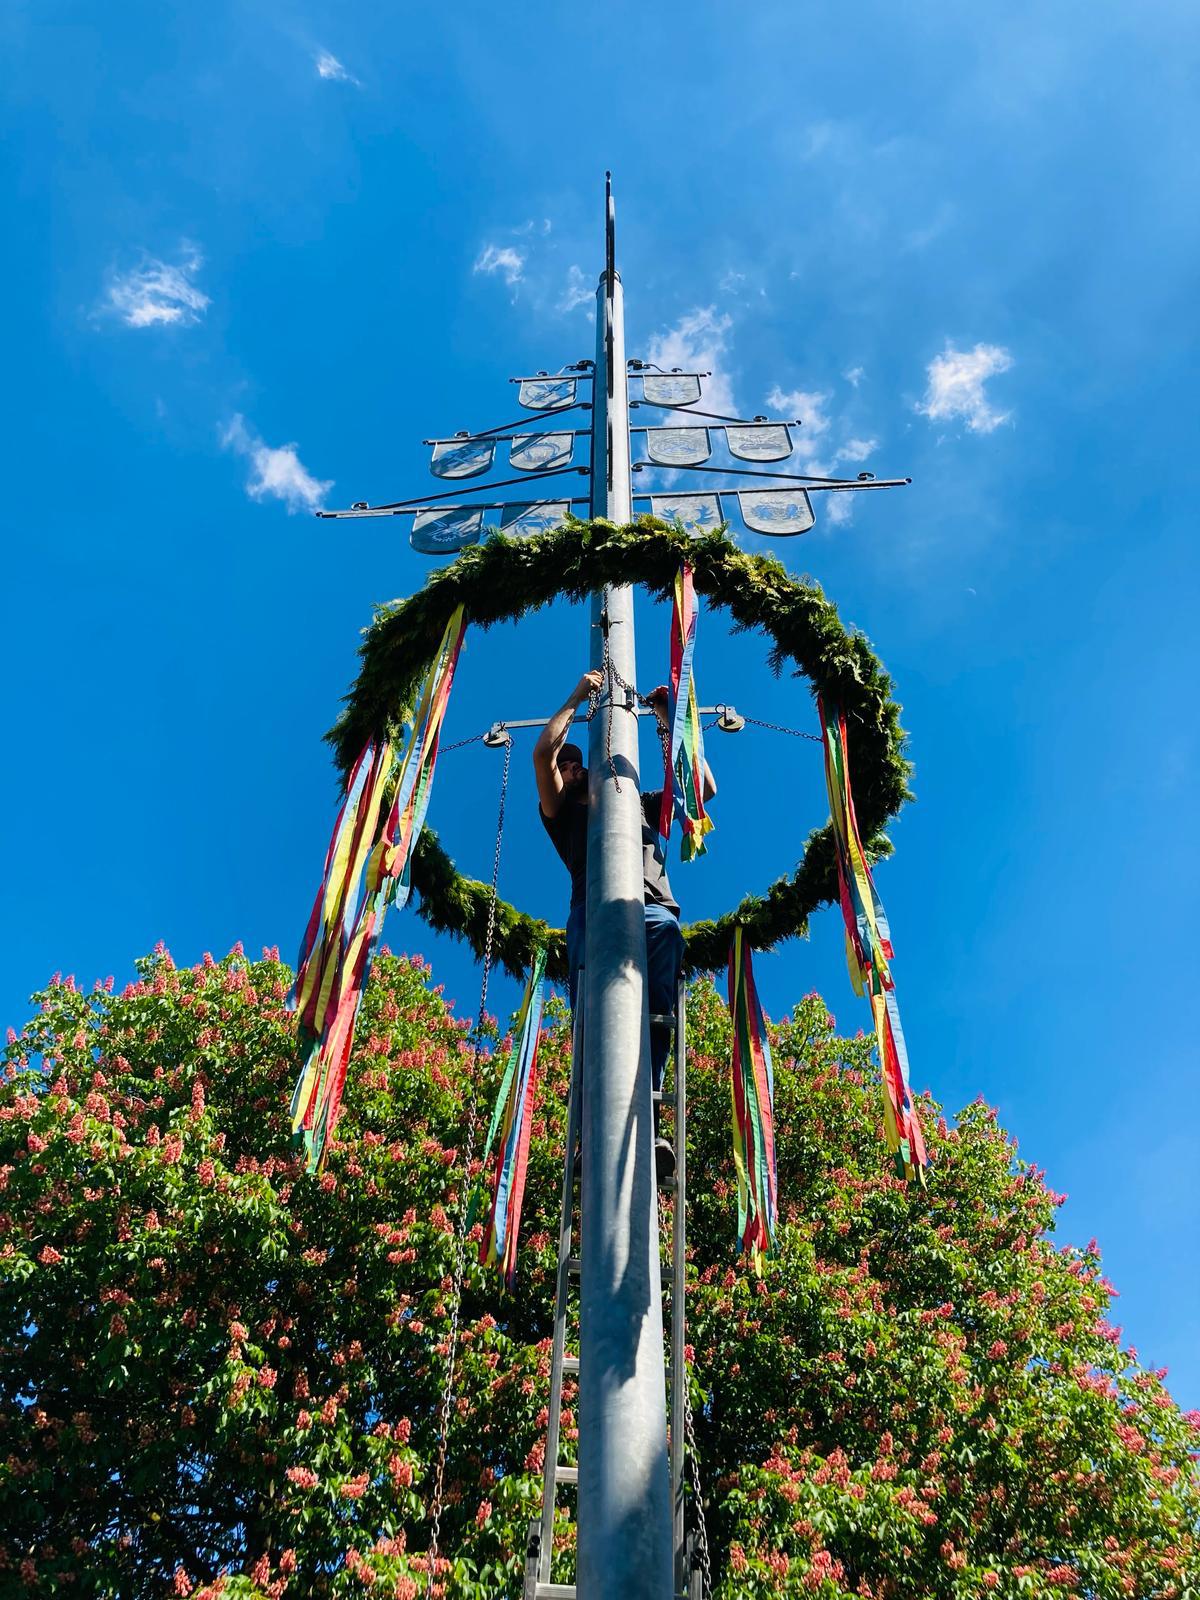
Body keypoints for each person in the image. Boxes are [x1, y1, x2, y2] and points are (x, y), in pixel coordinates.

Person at [533, 669, 716, 1180]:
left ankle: (648, 1119)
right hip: (592, 913)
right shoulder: (563, 815)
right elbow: (542, 755)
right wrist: (576, 698)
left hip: (654, 909)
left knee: (657, 999)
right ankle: (592, 1132)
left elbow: (702, 788)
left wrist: (665, 720)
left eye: (579, 764)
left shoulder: (642, 804)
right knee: (595, 1014)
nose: (572, 769)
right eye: (567, 766)